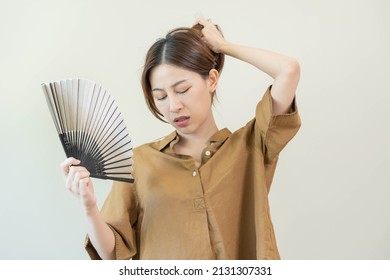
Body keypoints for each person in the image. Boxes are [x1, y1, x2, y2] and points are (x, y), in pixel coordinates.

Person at [61, 17, 301, 260]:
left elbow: (288, 70)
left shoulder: (253, 145)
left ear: (212, 79)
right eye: (161, 96)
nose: (173, 105)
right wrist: (88, 206)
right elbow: (111, 255)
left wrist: (223, 46)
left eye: (182, 89)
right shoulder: (140, 162)